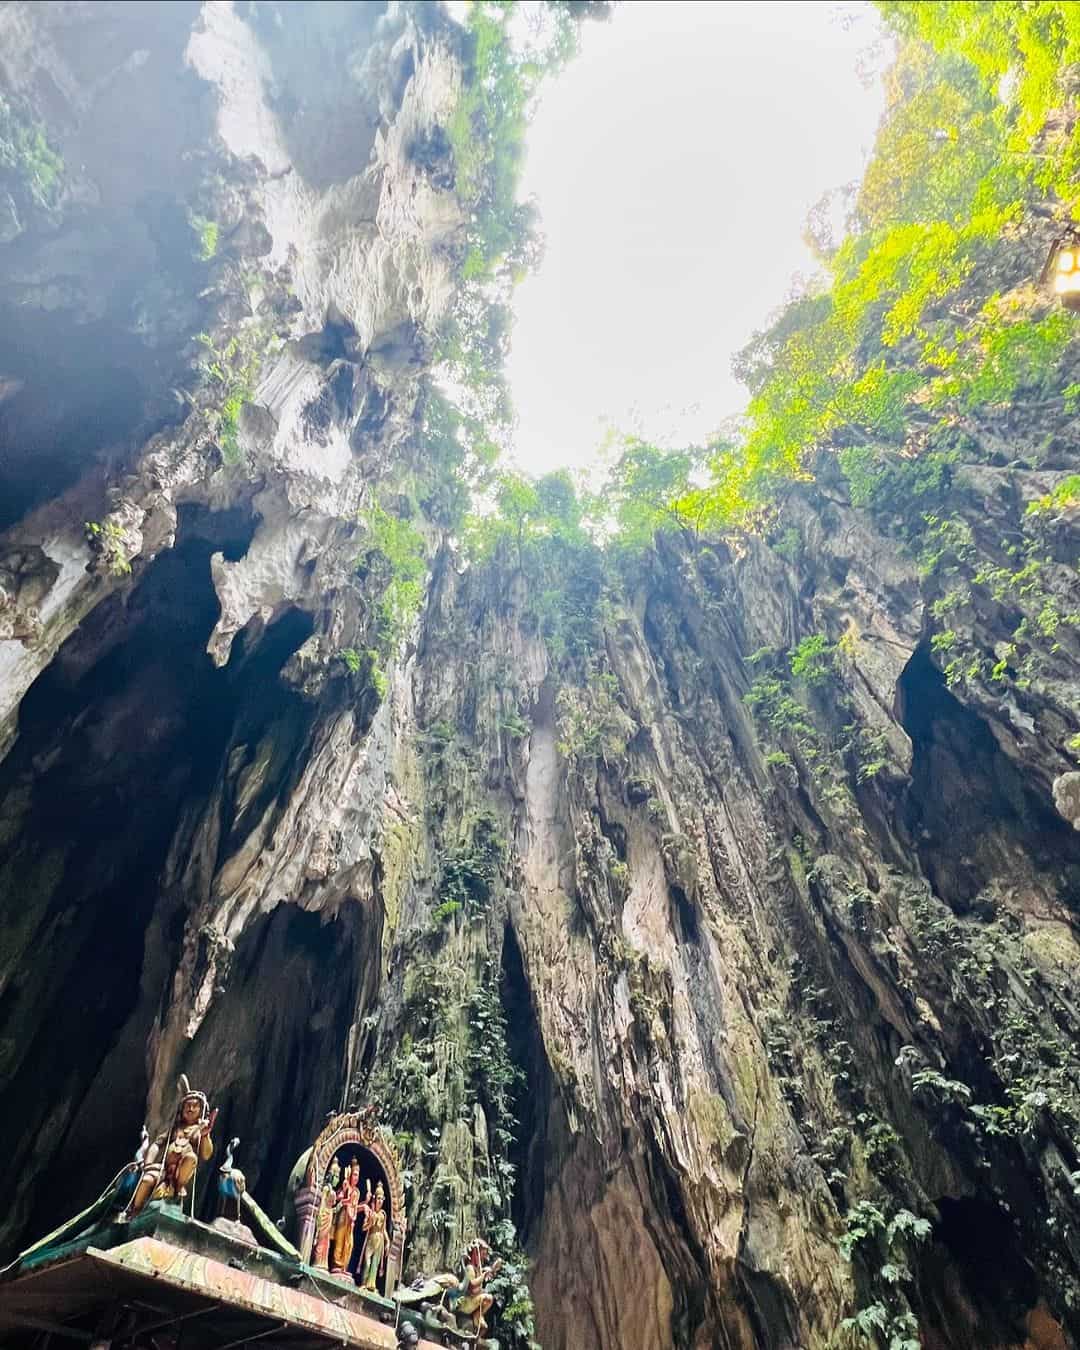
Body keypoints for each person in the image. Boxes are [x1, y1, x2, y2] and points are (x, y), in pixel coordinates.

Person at [128, 1079, 216, 1216]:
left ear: (201, 1110)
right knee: (146, 1180)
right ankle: (134, 1210)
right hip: (164, 1169)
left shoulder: (199, 1130)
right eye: (187, 1105)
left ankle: (176, 1188)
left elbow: (206, 1154)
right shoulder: (174, 1130)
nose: (191, 1109)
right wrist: (149, 1164)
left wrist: (205, 1136)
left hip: (181, 1171)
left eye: (195, 1106)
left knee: (191, 1157)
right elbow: (157, 1144)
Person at [447, 1237, 502, 1336]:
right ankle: (476, 1316)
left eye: (485, 1255)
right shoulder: (470, 1268)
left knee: (489, 1298)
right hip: (467, 1302)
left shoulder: (478, 1269)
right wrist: (483, 1275)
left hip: (474, 1300)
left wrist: (491, 1271)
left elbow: (479, 1286)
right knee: (487, 1297)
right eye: (482, 1254)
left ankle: (478, 1315)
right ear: (476, 1254)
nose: (483, 1257)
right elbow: (472, 1284)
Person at [330, 1158, 362, 1274]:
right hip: (343, 1217)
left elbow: (355, 1207)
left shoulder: (357, 1192)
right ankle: (336, 1265)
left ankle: (344, 1267)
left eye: (357, 1175)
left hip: (351, 1221)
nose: (356, 1177)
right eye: (354, 1175)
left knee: (349, 1244)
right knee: (339, 1241)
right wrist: (343, 1192)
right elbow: (338, 1198)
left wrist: (364, 1206)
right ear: (350, 1175)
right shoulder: (345, 1186)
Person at [356, 1181, 388, 1291]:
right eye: (378, 1198)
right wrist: (370, 1222)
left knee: (375, 1264)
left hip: (379, 1240)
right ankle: (364, 1282)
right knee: (367, 1262)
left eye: (381, 1199)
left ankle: (371, 1285)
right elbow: (364, 1228)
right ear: (375, 1199)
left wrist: (387, 1242)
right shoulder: (370, 1212)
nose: (380, 1201)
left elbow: (383, 1230)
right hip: (371, 1239)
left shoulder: (383, 1215)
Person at [312, 1158, 341, 1269]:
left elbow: (332, 1208)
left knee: (326, 1243)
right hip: (324, 1215)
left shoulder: (333, 1190)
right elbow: (323, 1204)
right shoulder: (326, 1189)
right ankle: (317, 1261)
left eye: (338, 1176)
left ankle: (323, 1263)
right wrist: (319, 1218)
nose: (337, 1179)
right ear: (331, 1175)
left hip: (329, 1215)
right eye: (336, 1176)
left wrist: (338, 1207)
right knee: (320, 1239)